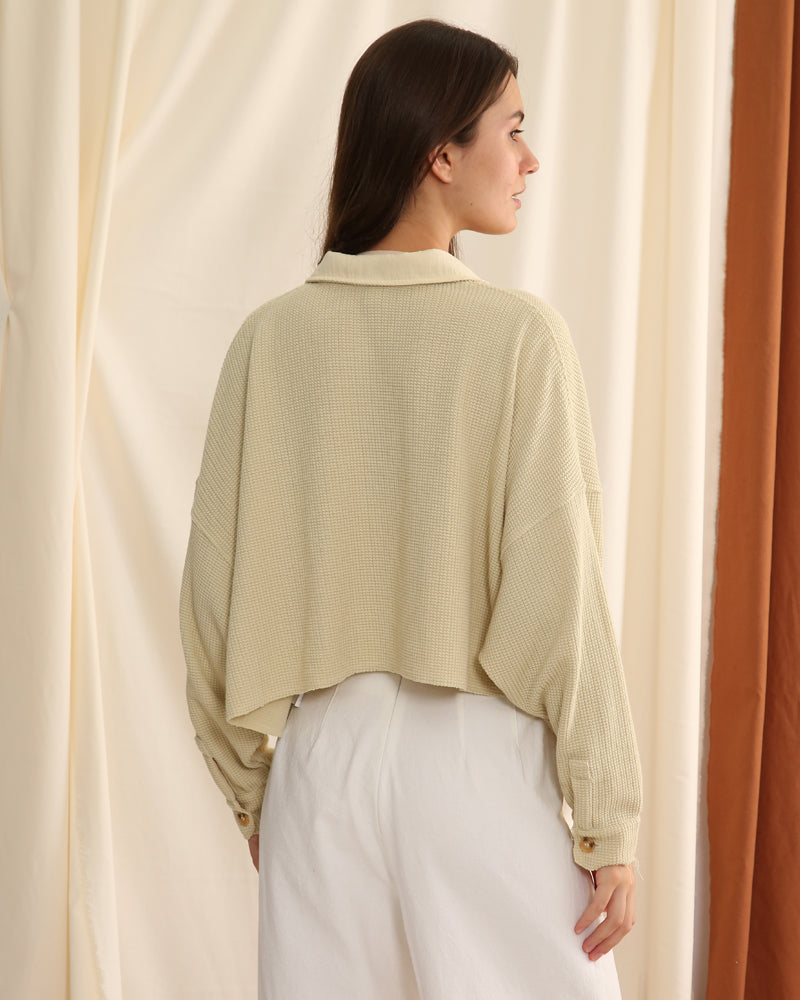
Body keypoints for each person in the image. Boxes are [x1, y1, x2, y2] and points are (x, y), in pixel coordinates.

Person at [179, 17, 642, 999]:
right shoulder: (518, 339)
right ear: (441, 154)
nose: (530, 159)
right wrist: (607, 820)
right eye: (511, 129)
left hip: (318, 770)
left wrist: (257, 793)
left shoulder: (269, 339)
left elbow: (212, 597)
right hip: (477, 767)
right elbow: (559, 593)